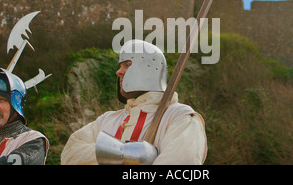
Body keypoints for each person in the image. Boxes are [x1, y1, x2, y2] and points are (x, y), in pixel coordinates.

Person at [61, 39, 207, 165]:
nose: (118, 72)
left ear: (149, 69)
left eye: (127, 65)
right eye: (120, 66)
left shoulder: (181, 118)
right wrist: (124, 154)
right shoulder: (107, 120)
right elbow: (70, 154)